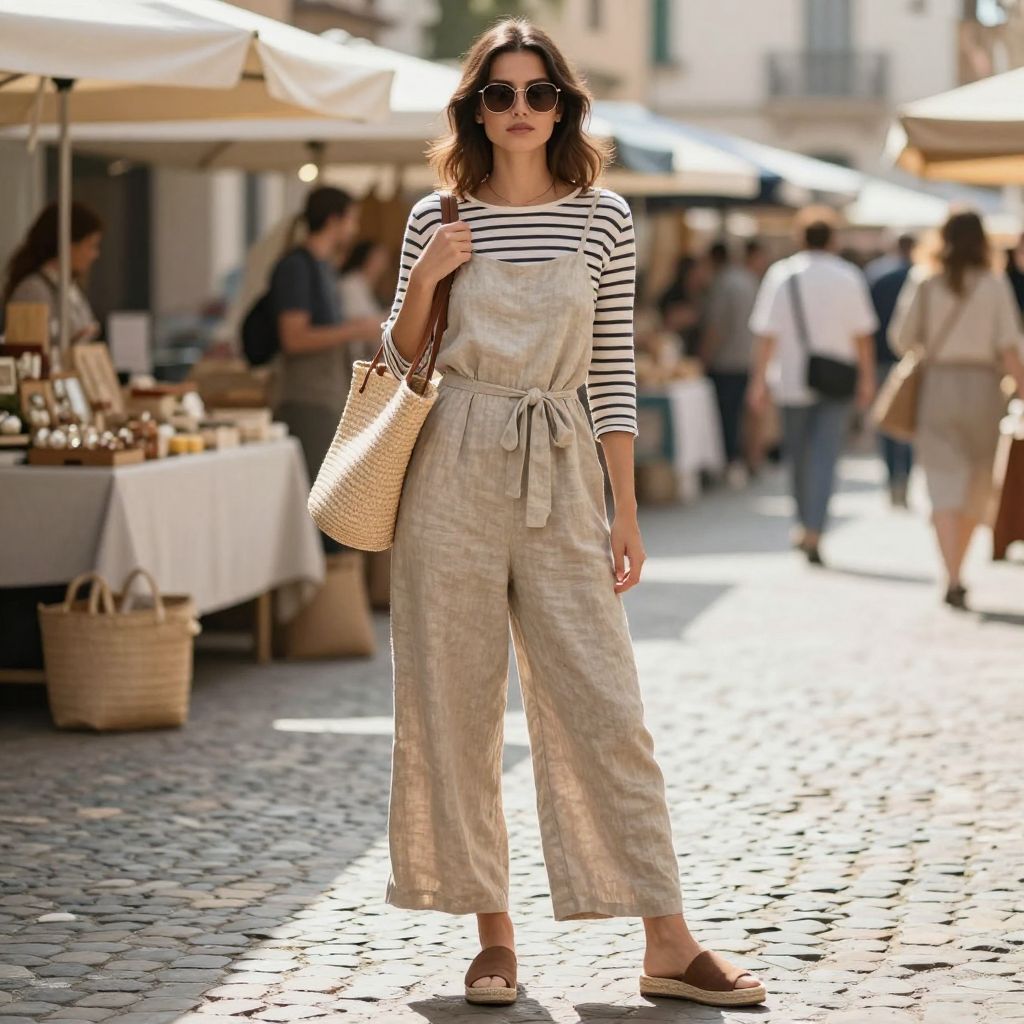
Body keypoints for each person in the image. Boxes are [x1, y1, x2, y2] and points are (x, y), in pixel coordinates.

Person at [378, 17, 766, 1010]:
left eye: (537, 92)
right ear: (474, 110)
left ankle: (667, 939)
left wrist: (624, 508)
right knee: (453, 705)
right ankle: (492, 937)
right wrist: (425, 276)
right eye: (498, 93)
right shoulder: (435, 215)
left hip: (559, 462)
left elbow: (612, 370)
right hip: (448, 465)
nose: (519, 109)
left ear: (563, 108)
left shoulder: (604, 219)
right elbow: (401, 353)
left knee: (606, 705)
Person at [889, 211, 1024, 610]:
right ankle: (957, 568)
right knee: (977, 483)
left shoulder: (924, 280)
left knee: (942, 483)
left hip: (938, 387)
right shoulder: (994, 284)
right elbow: (1009, 347)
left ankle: (951, 573)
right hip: (984, 388)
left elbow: (901, 339)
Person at [748, 215, 878, 566]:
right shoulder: (848, 276)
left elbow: (766, 334)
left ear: (800, 238)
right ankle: (816, 529)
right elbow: (863, 336)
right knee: (825, 456)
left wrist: (758, 381)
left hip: (791, 380)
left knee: (798, 457)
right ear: (833, 239)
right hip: (837, 380)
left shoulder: (782, 275)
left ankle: (803, 524)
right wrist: (867, 380)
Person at [270, 187, 380, 551]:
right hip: (306, 400)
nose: (355, 228)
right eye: (352, 219)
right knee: (323, 510)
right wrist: (356, 329)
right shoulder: (296, 267)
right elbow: (294, 338)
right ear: (334, 220)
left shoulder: (323, 268)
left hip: (326, 397)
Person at [700, 238, 766, 483]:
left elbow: (715, 328)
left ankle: (731, 462)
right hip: (748, 358)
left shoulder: (724, 284)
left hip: (726, 362)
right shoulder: (749, 280)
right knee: (745, 415)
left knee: (727, 417)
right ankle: (750, 460)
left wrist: (703, 357)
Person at [3, 201, 103, 345]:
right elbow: (28, 351)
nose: (95, 255)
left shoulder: (71, 289)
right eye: (91, 246)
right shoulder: (32, 291)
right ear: (68, 245)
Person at [870, 234, 917, 508]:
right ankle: (905, 478)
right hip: (910, 360)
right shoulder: (919, 275)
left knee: (887, 421)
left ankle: (892, 479)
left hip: (880, 359)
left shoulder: (877, 275)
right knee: (908, 421)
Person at [337, 239, 390, 368]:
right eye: (378, 258)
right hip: (350, 358)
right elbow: (355, 322)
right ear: (366, 259)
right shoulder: (351, 284)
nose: (382, 264)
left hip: (363, 355)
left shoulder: (366, 287)